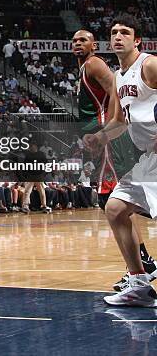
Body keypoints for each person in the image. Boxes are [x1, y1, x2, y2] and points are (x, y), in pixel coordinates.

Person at [73, 28, 157, 291]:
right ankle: (139, 280)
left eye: (125, 32)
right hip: (143, 153)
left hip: (135, 149)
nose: (118, 37)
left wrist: (103, 128)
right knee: (114, 207)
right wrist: (100, 136)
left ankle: (142, 263)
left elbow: (110, 94)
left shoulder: (100, 63)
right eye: (114, 33)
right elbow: (120, 119)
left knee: (110, 200)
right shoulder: (121, 76)